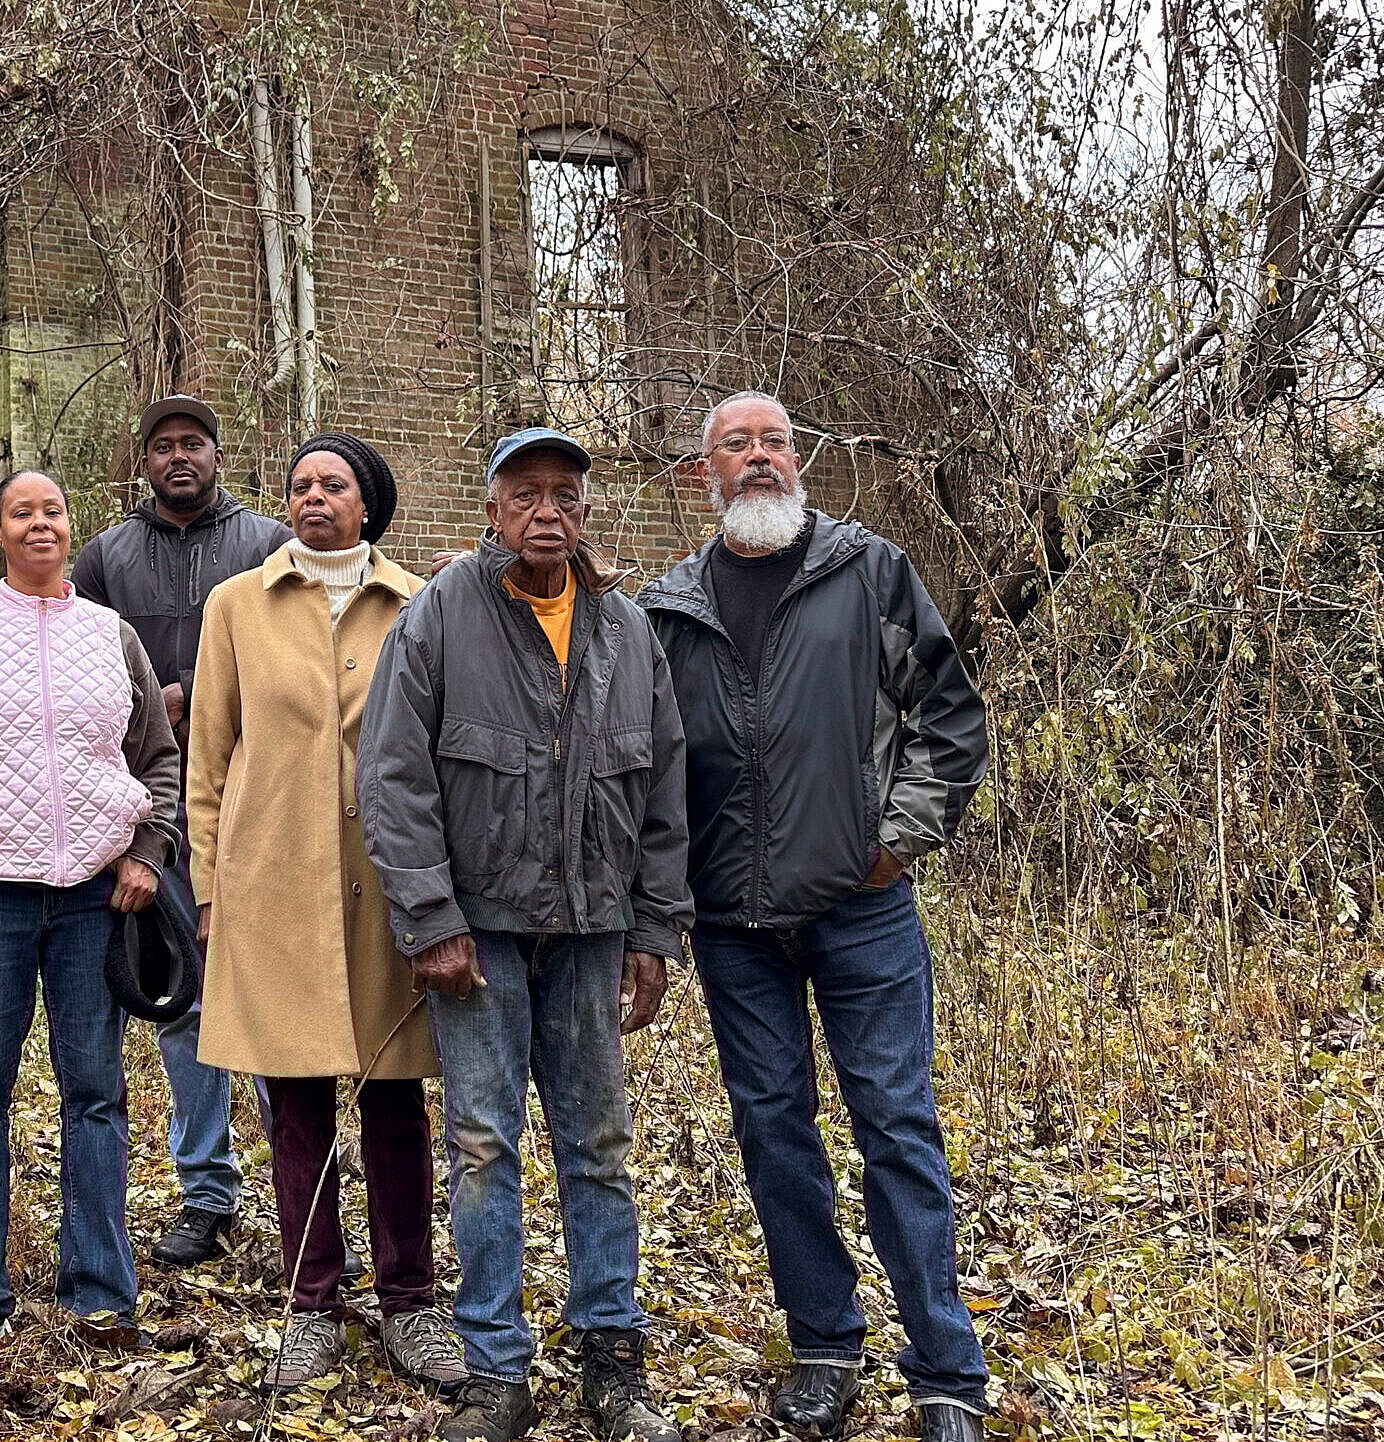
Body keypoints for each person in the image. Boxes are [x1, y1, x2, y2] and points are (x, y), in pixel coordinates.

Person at [637, 391, 991, 1442]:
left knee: (897, 1129)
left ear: (800, 458)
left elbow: (948, 715)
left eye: (772, 441)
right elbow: (649, 775)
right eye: (733, 444)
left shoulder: (868, 570)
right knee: (775, 1137)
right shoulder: (668, 608)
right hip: (734, 929)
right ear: (703, 473)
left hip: (860, 909)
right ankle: (826, 1346)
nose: (756, 457)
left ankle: (944, 1373)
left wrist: (894, 839)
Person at [359, 426, 692, 1442]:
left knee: (597, 1150)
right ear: (492, 509)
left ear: (584, 512)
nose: (546, 509)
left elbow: (666, 787)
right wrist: (430, 919)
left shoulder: (626, 630)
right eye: (525, 492)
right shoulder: (439, 614)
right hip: (480, 940)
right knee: (482, 1148)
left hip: (594, 934)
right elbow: (393, 776)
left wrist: (654, 929)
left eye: (564, 492)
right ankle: (496, 1375)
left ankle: (612, 1368)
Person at [188, 433, 469, 1396]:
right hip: (272, 888)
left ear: (368, 502)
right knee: (297, 1101)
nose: (312, 497)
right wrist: (212, 889)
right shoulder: (236, 605)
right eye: (300, 484)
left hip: (394, 888)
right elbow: (209, 761)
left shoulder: (425, 604)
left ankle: (410, 1300)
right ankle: (312, 1304)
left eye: (333, 485)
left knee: (394, 1097)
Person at [0, 469, 183, 1343]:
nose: (40, 523)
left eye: (53, 509)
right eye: (23, 512)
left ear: (67, 524)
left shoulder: (113, 636)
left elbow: (157, 759)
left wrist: (147, 852)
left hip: (98, 895)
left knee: (95, 1094)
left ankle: (98, 1289)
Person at [70, 393, 287, 1268]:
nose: (177, 458)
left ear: (218, 456)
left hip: (262, 807)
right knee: (183, 1007)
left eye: (193, 442)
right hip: (152, 812)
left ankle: (307, 1198)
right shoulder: (106, 557)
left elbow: (294, 656)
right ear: (145, 463)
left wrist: (192, 693)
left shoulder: (268, 544)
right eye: (162, 447)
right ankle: (208, 1193)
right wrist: (141, 713)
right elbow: (72, 667)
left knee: (274, 1005)